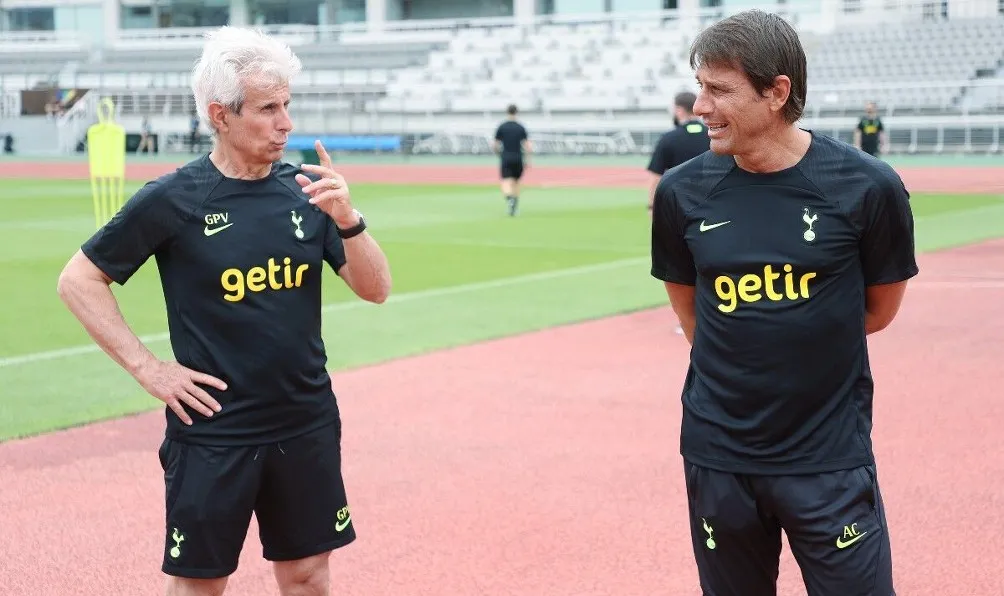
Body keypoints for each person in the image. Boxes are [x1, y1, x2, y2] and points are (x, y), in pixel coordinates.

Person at [56, 26, 392, 596]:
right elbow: (79, 279)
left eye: (288, 105)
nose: (286, 122)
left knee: (309, 576)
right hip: (215, 433)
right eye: (267, 108)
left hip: (304, 420)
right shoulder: (174, 199)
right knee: (201, 585)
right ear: (220, 115)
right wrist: (150, 370)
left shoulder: (307, 192)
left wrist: (347, 219)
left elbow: (376, 288)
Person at [649, 10, 917, 596]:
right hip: (719, 456)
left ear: (777, 92)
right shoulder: (680, 193)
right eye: (700, 87)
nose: (700, 107)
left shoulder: (868, 187)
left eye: (719, 90)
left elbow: (874, 312)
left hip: (828, 460)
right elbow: (695, 318)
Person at [645, 91, 710, 213]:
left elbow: (655, 178)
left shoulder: (668, 138)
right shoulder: (714, 137)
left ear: (679, 110)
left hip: (677, 206)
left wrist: (651, 206)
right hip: (710, 203)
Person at [493, 104, 531, 216]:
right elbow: (527, 145)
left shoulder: (502, 127)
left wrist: (498, 154)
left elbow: (495, 145)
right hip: (518, 157)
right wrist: (528, 159)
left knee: (506, 182)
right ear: (516, 112)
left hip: (506, 156)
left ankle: (510, 199)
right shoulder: (520, 127)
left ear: (507, 112)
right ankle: (514, 204)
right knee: (516, 182)